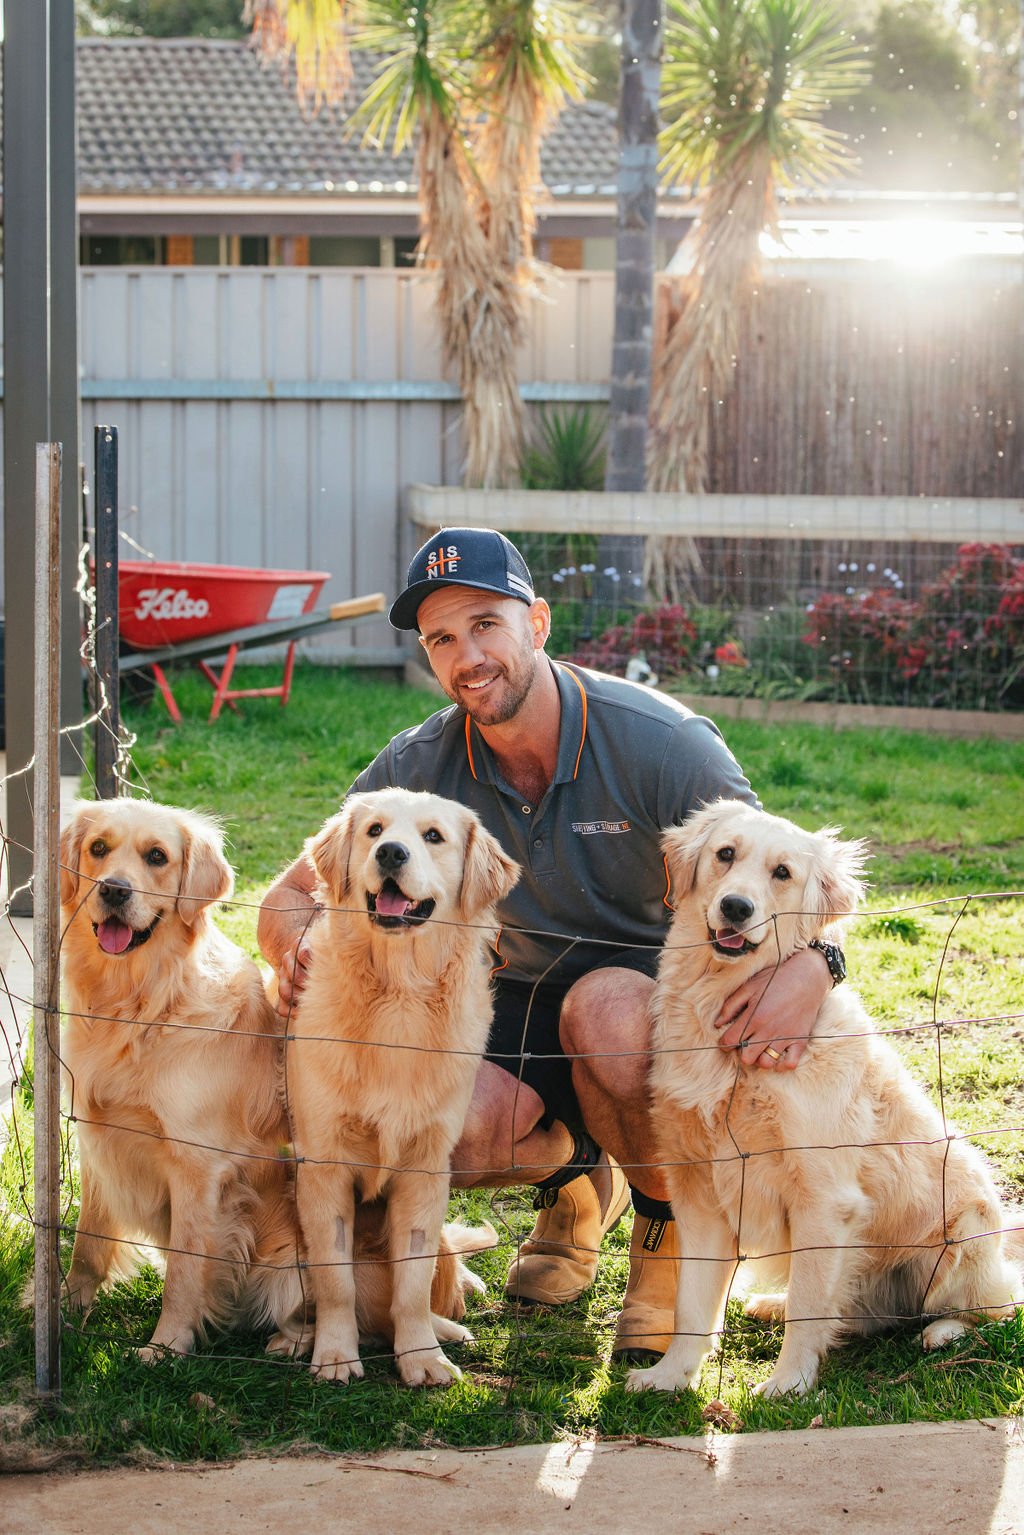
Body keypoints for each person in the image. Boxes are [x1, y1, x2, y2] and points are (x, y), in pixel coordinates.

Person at [258, 528, 839, 1362]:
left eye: (486, 624)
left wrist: (819, 967)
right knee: (454, 1129)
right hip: (498, 1003)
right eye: (442, 639)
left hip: (636, 1006)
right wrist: (298, 943)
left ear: (537, 621)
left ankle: (664, 1228)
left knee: (604, 1011)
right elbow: (286, 895)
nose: (468, 655)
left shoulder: (661, 742)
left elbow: (791, 874)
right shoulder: (418, 763)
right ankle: (573, 1189)